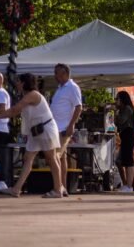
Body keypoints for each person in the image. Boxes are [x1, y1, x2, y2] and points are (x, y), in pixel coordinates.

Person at [0, 73, 63, 198]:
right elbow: (17, 111)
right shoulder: (26, 96)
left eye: (18, 81)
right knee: (28, 158)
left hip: (45, 128)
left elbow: (15, 110)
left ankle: (58, 189)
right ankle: (16, 189)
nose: (16, 83)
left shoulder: (33, 94)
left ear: (24, 83)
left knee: (51, 158)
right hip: (35, 131)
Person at [50, 63, 82, 196]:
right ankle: (62, 187)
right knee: (61, 158)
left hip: (64, 128)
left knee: (55, 156)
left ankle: (57, 188)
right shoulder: (60, 88)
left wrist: (71, 125)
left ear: (65, 74)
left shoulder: (72, 87)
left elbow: (78, 107)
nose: (55, 76)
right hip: (56, 128)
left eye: (57, 73)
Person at [115, 91, 134, 192]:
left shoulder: (128, 109)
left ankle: (129, 186)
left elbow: (121, 120)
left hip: (129, 136)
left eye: (117, 99)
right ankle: (125, 184)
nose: (116, 101)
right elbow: (117, 123)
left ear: (122, 99)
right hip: (124, 136)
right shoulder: (122, 110)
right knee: (119, 161)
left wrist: (116, 112)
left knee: (129, 161)